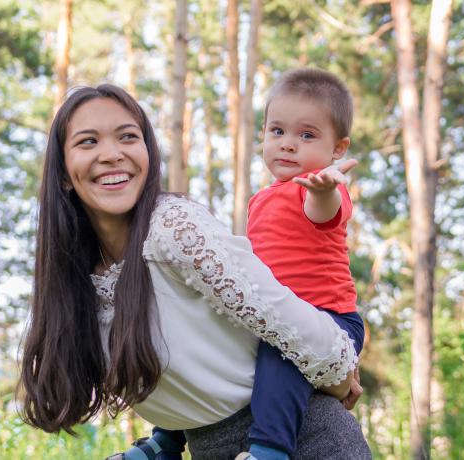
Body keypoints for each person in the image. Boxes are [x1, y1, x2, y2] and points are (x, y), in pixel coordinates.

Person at [18, 84, 371, 460]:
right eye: (88, 142)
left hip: (305, 442)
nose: (111, 154)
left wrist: (338, 378)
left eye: (127, 137)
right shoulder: (77, 275)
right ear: (63, 173)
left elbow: (290, 322)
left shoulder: (174, 228)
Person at [150, 68, 366, 460]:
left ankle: (269, 449)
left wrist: (325, 190)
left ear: (338, 148)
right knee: (209, 350)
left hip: (327, 319)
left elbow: (324, 214)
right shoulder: (262, 198)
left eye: (307, 135)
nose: (287, 145)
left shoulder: (320, 187)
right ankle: (164, 442)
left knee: (280, 356)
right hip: (275, 315)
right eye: (277, 132)